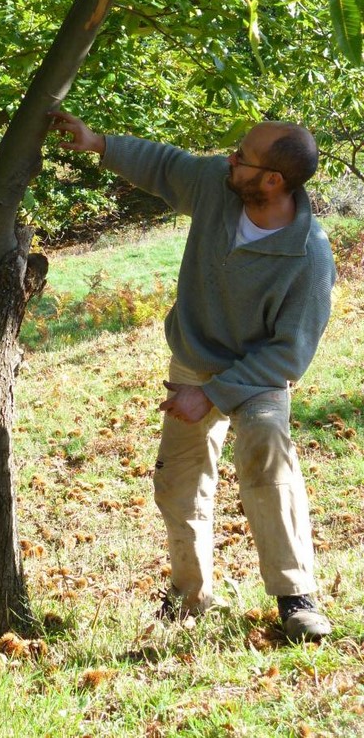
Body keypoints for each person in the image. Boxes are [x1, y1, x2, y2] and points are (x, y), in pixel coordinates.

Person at [48, 109, 336, 642]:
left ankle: (296, 597)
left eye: (243, 156)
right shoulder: (218, 187)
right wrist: (98, 142)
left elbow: (288, 356)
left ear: (273, 180)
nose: (231, 159)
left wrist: (214, 395)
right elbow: (165, 165)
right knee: (178, 480)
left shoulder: (309, 257)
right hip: (193, 357)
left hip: (257, 377)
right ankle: (189, 592)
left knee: (268, 452)